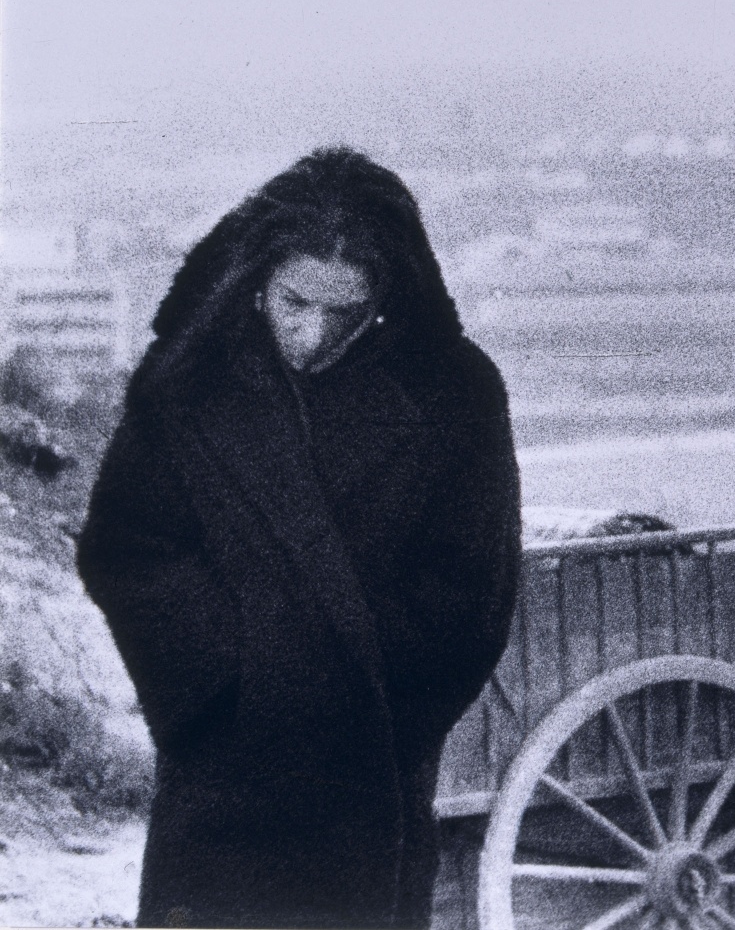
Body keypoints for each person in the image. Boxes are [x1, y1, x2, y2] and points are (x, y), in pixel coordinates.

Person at [77, 148, 523, 929]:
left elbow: (472, 590)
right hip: (220, 768)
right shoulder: (186, 382)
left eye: (345, 313)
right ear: (258, 278)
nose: (313, 335)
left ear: (387, 293)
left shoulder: (456, 392)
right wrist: (226, 678)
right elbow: (127, 545)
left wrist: (382, 716)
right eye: (295, 303)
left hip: (368, 775)